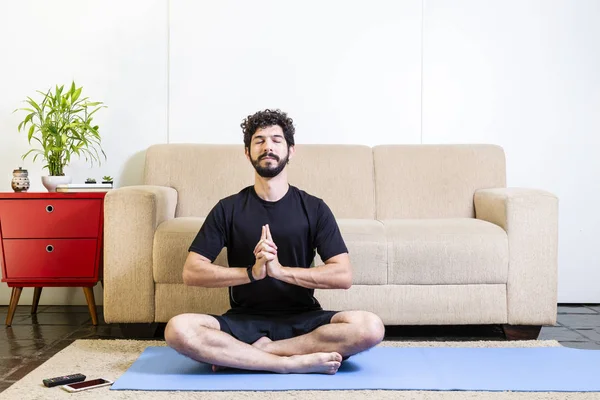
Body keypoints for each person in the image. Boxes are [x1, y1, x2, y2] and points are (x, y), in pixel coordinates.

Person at [164, 109, 385, 375]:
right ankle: (287, 363)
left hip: (304, 320)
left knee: (370, 327)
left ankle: (257, 353)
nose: (268, 146)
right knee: (178, 329)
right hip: (243, 321)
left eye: (276, 140)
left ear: (291, 150)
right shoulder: (228, 208)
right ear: (247, 153)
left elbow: (343, 274)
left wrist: (280, 272)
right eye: (259, 140)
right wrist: (252, 273)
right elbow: (192, 271)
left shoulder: (314, 208)